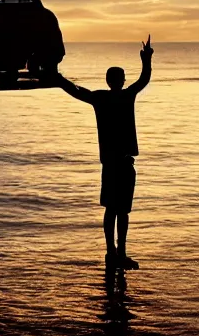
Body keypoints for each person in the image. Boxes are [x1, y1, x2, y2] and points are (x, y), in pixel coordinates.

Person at [55, 35, 153, 270]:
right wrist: (146, 60)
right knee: (120, 211)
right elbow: (143, 80)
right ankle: (116, 253)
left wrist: (58, 78)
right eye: (119, 78)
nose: (120, 81)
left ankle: (115, 253)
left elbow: (76, 90)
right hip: (120, 164)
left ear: (110, 80)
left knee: (116, 210)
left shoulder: (101, 98)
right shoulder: (124, 96)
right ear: (117, 80)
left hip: (113, 163)